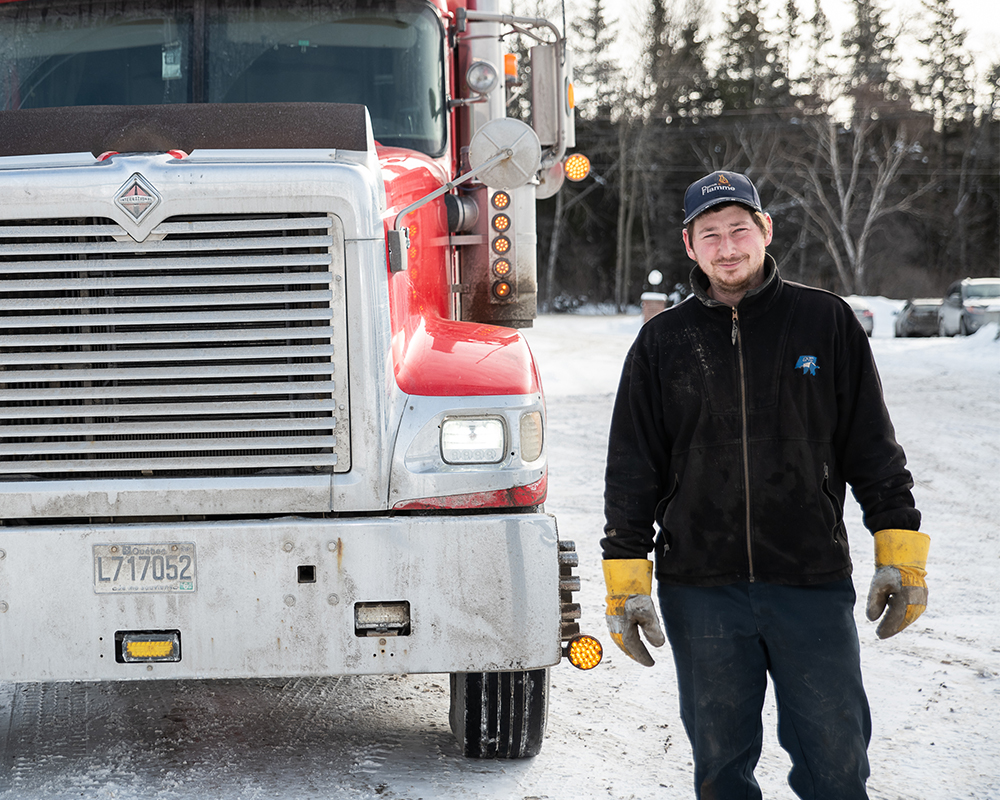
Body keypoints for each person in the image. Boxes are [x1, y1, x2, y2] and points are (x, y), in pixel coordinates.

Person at [600, 170, 930, 800]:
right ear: (689, 245)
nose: (727, 248)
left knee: (837, 766)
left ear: (766, 230)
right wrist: (625, 579)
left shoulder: (824, 321)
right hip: (700, 589)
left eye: (739, 230)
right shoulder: (662, 342)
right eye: (710, 235)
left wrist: (900, 551)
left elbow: (872, 446)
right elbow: (632, 468)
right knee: (721, 770)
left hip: (810, 579)